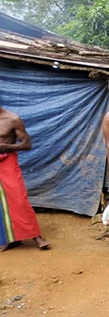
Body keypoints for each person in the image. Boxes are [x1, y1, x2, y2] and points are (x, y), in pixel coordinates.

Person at [0, 106, 50, 251]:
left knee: (19, 199)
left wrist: (6, 147)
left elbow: (26, 144)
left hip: (7, 162)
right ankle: (10, 239)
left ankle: (37, 237)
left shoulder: (12, 119)